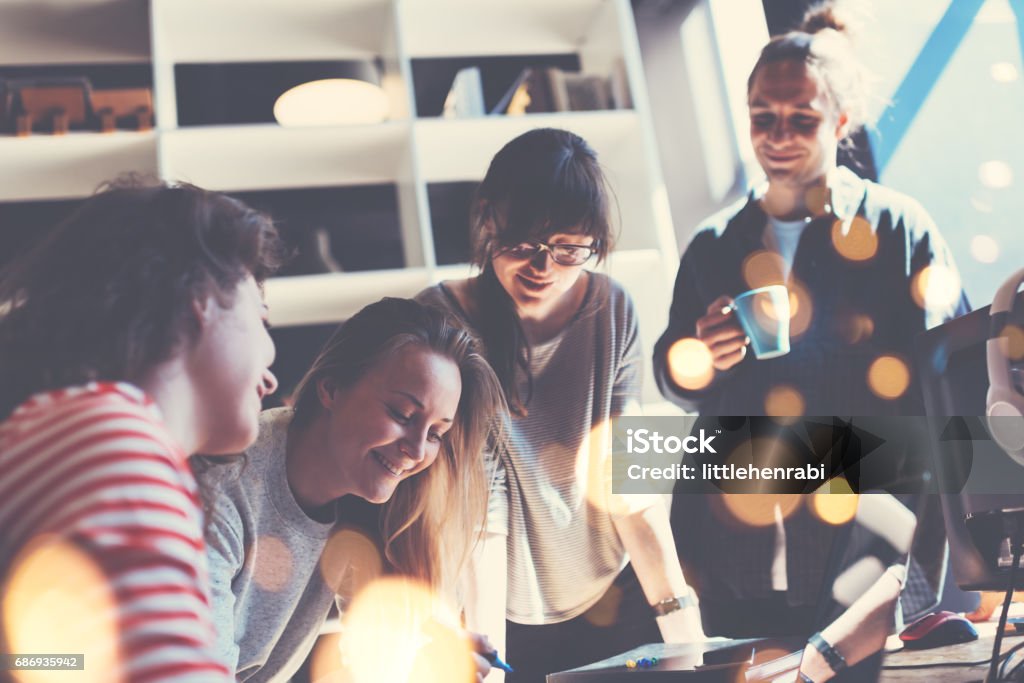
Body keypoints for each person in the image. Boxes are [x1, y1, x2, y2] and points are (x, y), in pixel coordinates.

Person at [653, 4, 967, 681]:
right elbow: (674, 376)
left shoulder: (900, 230)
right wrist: (699, 357)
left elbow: (954, 384)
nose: (779, 136)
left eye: (802, 119)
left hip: (862, 555)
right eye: (763, 117)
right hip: (738, 556)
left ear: (842, 122)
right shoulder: (713, 245)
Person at [418, 127, 703, 683]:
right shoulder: (442, 320)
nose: (543, 268)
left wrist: (687, 632)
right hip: (501, 608)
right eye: (523, 244)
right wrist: (492, 666)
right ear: (488, 218)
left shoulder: (611, 308)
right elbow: (483, 509)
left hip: (615, 590)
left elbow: (628, 481)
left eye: (570, 248)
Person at [0, 181, 283, 682]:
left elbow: (41, 662)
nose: (271, 370)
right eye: (261, 320)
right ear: (201, 297)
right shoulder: (111, 437)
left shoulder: (74, 431)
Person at [195, 297, 507, 683]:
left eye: (436, 434)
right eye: (402, 415)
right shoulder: (219, 493)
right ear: (331, 389)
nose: (415, 450)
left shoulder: (361, 504)